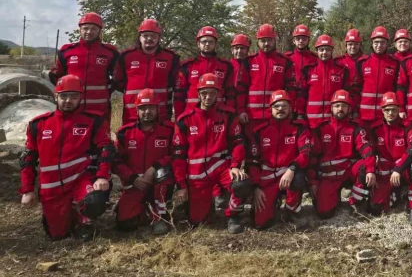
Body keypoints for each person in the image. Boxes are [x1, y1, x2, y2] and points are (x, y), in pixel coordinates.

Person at [19, 75, 115, 240]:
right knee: (57, 235)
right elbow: (27, 159)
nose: (68, 100)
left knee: (95, 200)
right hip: (52, 188)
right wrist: (27, 190)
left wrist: (102, 176)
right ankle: (64, 215)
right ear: (56, 96)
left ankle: (83, 221)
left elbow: (106, 149)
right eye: (63, 96)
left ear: (81, 98)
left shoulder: (94, 120)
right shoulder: (38, 124)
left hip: (81, 179)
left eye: (74, 96)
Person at [171, 74, 247, 233]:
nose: (208, 97)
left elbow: (238, 143)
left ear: (218, 94)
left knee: (241, 184)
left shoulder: (228, 114)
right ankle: (199, 205)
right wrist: (181, 185)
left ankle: (232, 215)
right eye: (204, 93)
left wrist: (235, 166)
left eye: (212, 93)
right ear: (198, 94)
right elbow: (178, 156)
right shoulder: (185, 120)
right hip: (196, 174)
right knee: (198, 221)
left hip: (221, 167)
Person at [247, 90, 313, 229]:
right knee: (260, 224)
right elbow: (252, 161)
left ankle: (291, 213)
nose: (281, 109)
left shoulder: (299, 128)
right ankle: (273, 201)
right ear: (270, 109)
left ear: (290, 108)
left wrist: (292, 168)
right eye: (277, 106)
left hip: (288, 174)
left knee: (299, 178)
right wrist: (256, 186)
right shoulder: (260, 131)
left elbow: (305, 153)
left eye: (284, 106)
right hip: (267, 178)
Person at [113, 89, 175, 235]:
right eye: (143, 108)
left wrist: (154, 168)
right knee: (125, 224)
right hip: (136, 183)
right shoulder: (124, 133)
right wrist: (133, 178)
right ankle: (143, 208)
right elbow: (116, 161)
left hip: (159, 182)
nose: (147, 112)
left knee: (163, 173)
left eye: (151, 108)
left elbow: (176, 154)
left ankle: (160, 217)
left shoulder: (169, 130)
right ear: (137, 110)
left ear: (157, 109)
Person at [309, 90, 376, 218]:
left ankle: (356, 202)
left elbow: (366, 149)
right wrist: (313, 182)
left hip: (348, 172)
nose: (340, 109)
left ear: (349, 109)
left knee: (365, 167)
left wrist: (371, 170)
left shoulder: (356, 128)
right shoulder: (321, 129)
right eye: (337, 105)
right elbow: (313, 157)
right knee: (324, 213)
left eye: (344, 105)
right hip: (327, 176)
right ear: (331, 107)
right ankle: (335, 197)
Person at [368, 92, 412, 224]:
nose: (390, 113)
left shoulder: (407, 127)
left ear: (399, 110)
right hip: (385, 170)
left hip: (402, 168)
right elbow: (370, 152)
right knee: (377, 209)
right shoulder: (375, 129)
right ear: (382, 110)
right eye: (387, 110)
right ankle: (397, 193)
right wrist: (372, 170)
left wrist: (398, 169)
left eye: (393, 109)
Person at [49, 12, 118, 116]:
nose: (89, 32)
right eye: (85, 28)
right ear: (80, 30)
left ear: (99, 30)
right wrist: (66, 93)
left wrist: (106, 91)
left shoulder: (110, 52)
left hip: (100, 107)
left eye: (93, 29)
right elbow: (55, 75)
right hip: (72, 107)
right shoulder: (67, 51)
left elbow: (118, 77)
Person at [113, 19, 180, 124]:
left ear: (159, 38)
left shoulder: (171, 58)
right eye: (145, 35)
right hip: (131, 114)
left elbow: (176, 84)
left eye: (153, 36)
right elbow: (119, 83)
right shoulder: (126, 57)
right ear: (139, 37)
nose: (149, 38)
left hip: (160, 115)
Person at [175, 26, 240, 117]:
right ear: (198, 43)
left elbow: (230, 93)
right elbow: (179, 95)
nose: (207, 44)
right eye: (204, 41)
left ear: (215, 44)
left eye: (211, 41)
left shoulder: (226, 66)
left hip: (219, 116)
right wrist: (180, 117)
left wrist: (229, 114)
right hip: (192, 116)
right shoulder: (187, 66)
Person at [242, 23, 296, 129]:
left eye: (270, 40)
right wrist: (241, 110)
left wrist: (291, 109)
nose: (266, 43)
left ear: (274, 41)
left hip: (276, 116)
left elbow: (291, 89)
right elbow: (241, 88)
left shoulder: (285, 61)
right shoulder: (249, 61)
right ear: (258, 42)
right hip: (251, 116)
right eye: (263, 40)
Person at [296, 35, 352, 127]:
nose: (324, 52)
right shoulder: (309, 69)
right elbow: (302, 94)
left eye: (327, 49)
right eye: (321, 49)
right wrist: (300, 113)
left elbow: (348, 94)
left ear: (332, 51)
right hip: (312, 121)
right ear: (317, 51)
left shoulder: (341, 70)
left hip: (333, 121)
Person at [357, 27, 401, 125]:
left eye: (382, 42)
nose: (379, 45)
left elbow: (397, 88)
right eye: (376, 42)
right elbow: (357, 88)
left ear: (387, 44)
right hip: (365, 115)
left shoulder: (395, 63)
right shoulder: (362, 62)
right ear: (372, 43)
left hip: (386, 115)